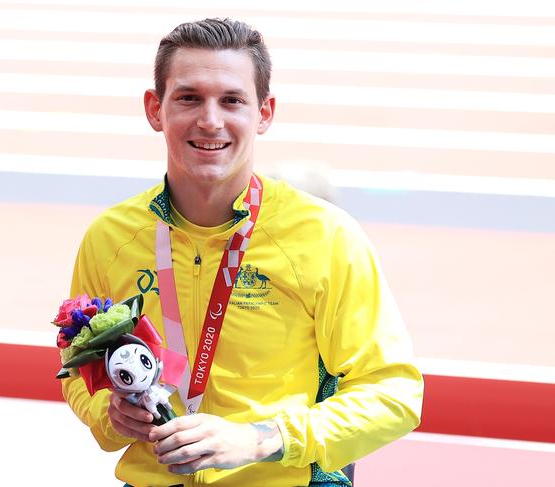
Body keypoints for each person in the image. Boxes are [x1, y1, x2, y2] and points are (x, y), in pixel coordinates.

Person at [62, 18, 423, 487]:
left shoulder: (324, 236)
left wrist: (261, 438)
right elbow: (78, 368)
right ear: (155, 109)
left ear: (264, 113)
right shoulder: (110, 237)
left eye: (231, 100)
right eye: (189, 97)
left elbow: (394, 393)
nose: (210, 120)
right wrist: (110, 415)